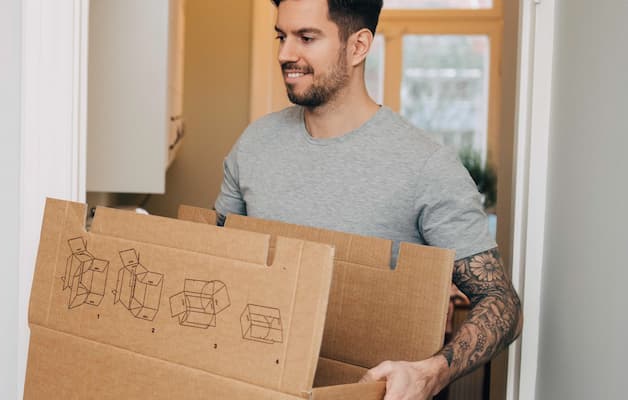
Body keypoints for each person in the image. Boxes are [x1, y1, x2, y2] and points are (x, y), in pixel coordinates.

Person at [213, 1, 522, 398]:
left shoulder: (425, 165)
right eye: (281, 36)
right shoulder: (253, 146)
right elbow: (216, 260)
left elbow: (502, 304)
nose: (285, 54)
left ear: (358, 46)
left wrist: (432, 373)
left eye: (306, 37)